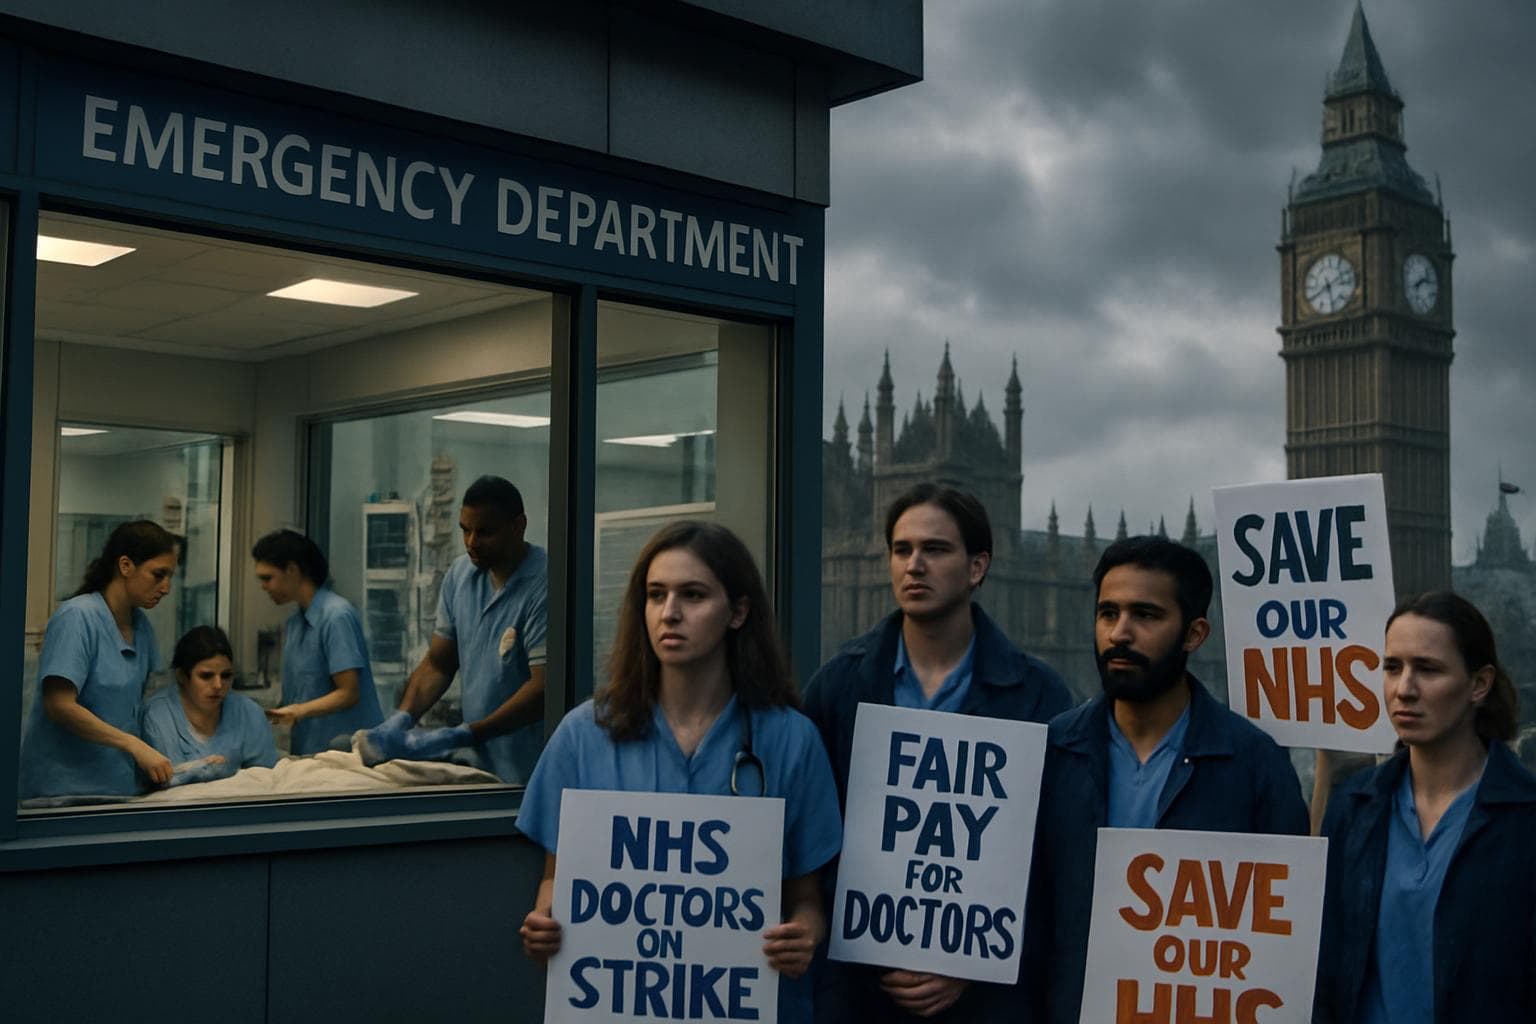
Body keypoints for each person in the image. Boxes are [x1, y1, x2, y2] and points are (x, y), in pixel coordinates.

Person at [516, 521, 842, 1021]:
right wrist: (545, 922)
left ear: (737, 611)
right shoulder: (583, 736)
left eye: (692, 595)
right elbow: (556, 882)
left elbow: (807, 900)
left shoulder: (791, 740)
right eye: (655, 594)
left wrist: (803, 936)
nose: (669, 613)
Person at [803, 483, 1074, 1023]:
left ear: (977, 567)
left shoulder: (1041, 695)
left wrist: (972, 959)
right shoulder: (836, 687)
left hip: (988, 1000)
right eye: (902, 551)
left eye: (935, 550)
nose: (915, 565)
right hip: (862, 993)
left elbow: (1053, 858)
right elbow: (814, 838)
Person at [1028, 535, 1308, 1024]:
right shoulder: (1048, 754)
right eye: (1108, 613)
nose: (1120, 633)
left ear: (1195, 633)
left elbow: (1292, 940)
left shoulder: (1255, 764)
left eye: (1146, 615)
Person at [1314, 591, 1535, 1023]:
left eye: (1428, 669)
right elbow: (1327, 964)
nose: (1404, 689)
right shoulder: (1353, 807)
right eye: (1392, 667)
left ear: (1479, 684)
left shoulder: (1525, 816)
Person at [359, 475, 548, 783]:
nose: (471, 542)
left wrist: (463, 734)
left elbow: (543, 690)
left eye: (485, 532)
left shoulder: (545, 583)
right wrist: (403, 719)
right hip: (479, 769)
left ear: (518, 526)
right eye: (465, 530)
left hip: (532, 771)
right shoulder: (462, 576)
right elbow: (438, 664)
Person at [19, 520, 178, 798]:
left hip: (115, 789)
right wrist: (133, 745)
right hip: (61, 793)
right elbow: (59, 705)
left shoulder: (142, 628)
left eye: (170, 576)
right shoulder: (78, 618)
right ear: (125, 566)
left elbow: (141, 708)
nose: (166, 587)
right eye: (158, 574)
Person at [252, 529, 383, 754]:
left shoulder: (336, 616)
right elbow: (301, 694)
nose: (263, 587)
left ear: (292, 570)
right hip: (313, 752)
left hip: (350, 756)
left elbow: (349, 693)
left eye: (267, 578)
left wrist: (299, 711)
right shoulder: (295, 624)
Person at [140, 625, 279, 786]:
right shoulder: (158, 716)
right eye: (206, 676)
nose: (218, 685)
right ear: (182, 676)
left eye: (226, 676)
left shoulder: (248, 713)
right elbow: (162, 782)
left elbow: (266, 780)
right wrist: (204, 767)